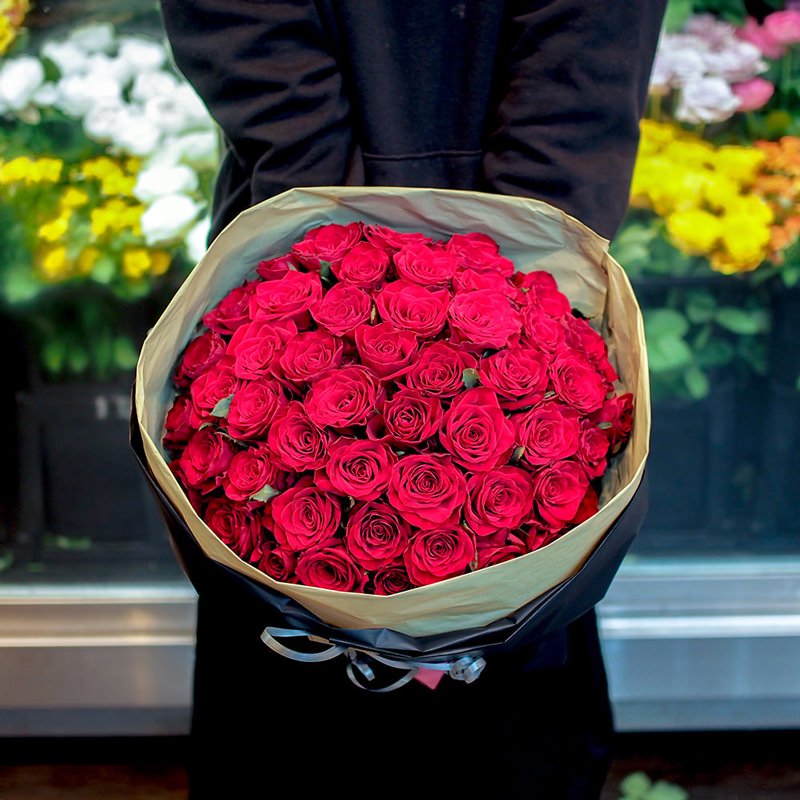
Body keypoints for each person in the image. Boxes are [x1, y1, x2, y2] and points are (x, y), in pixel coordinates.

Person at [156, 2, 666, 798]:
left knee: (508, 672)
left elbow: (585, 59)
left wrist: (522, 285)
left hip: (516, 306)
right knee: (285, 695)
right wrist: (328, 239)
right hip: (303, 275)